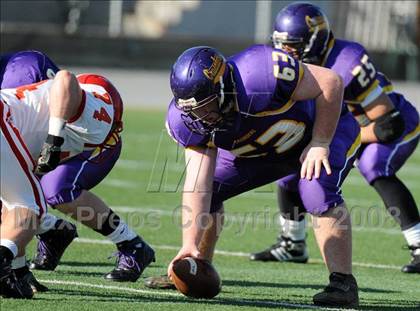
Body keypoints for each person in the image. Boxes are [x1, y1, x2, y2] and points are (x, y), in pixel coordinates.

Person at [147, 45, 361, 308]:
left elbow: (331, 81)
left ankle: (343, 283)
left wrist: (320, 141)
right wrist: (188, 245)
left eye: (205, 106)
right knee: (211, 189)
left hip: (325, 131)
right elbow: (197, 184)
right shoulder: (187, 120)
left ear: (223, 87)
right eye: (192, 111)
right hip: (264, 149)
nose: (200, 117)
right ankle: (198, 264)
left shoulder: (260, 73)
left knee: (315, 189)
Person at [251, 2, 420, 274]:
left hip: (389, 124)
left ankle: (419, 244)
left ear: (315, 41)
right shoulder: (285, 64)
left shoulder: (347, 60)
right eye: (281, 44)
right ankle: (292, 243)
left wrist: (331, 139)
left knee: (374, 166)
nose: (285, 53)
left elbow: (389, 124)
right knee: (290, 165)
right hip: (340, 127)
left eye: (293, 45)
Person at [0, 51, 156, 283]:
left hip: (94, 143)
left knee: (57, 189)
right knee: (17, 197)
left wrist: (54, 139)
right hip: (47, 137)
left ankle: (131, 244)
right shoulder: (17, 105)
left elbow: (65, 81)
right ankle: (51, 232)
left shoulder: (76, 108)